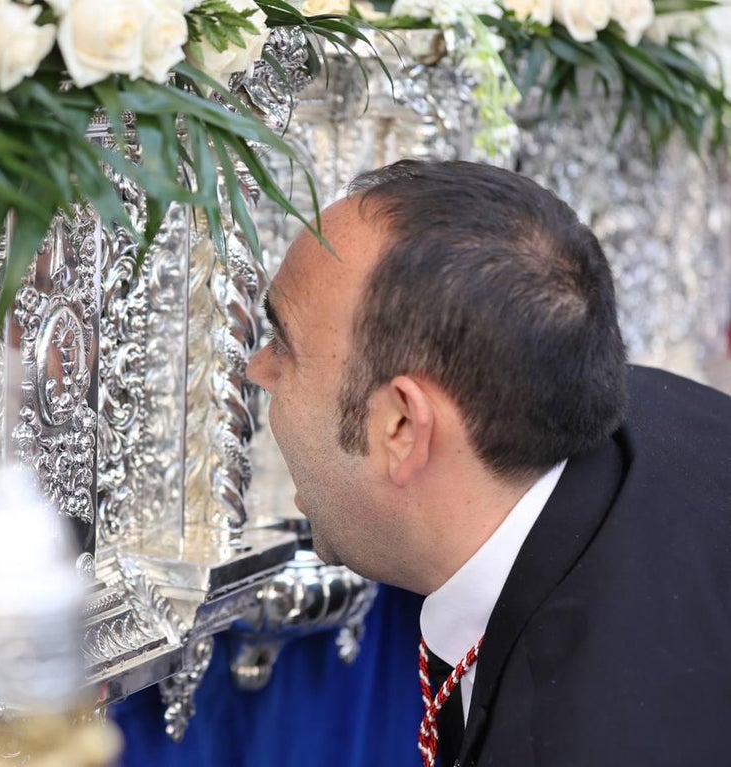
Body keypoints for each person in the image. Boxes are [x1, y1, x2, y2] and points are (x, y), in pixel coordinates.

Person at [246, 159, 731, 767]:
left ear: (401, 426)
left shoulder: (568, 738)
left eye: (283, 345)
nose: (256, 370)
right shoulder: (666, 412)